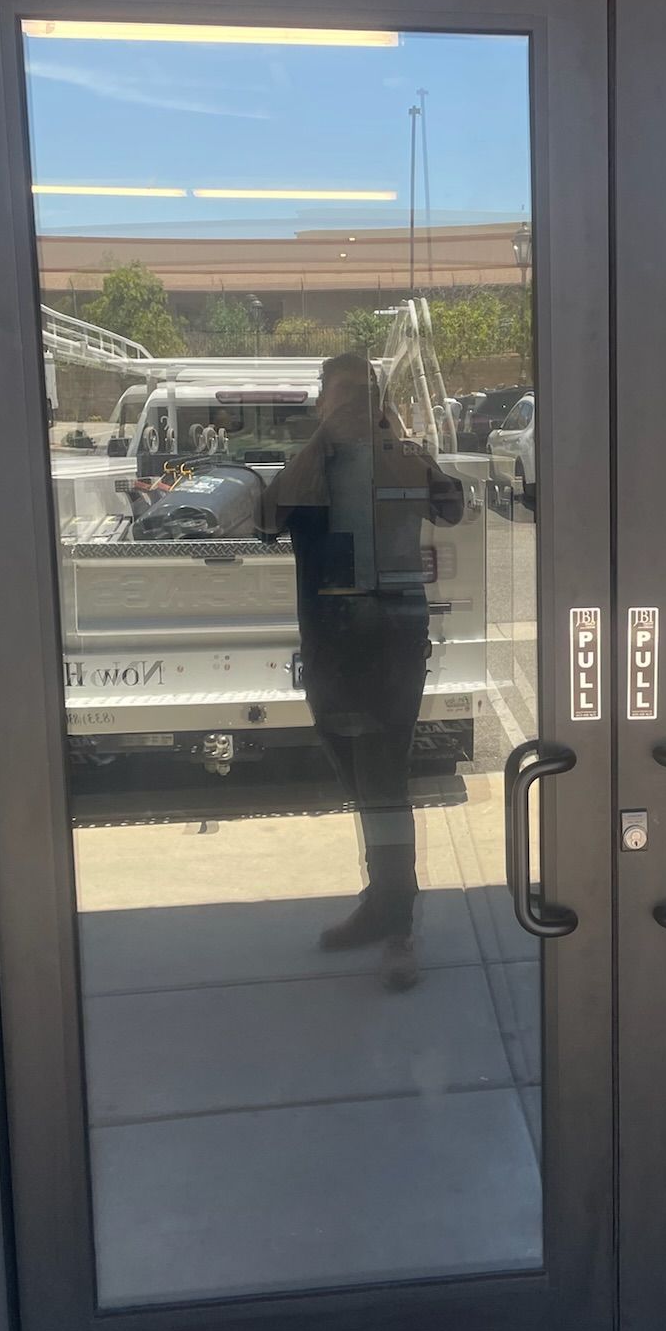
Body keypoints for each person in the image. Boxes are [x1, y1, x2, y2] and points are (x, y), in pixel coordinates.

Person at [261, 352, 463, 988]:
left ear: (372, 402)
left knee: (382, 782)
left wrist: (400, 444)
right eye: (332, 399)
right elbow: (267, 520)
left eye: (351, 398)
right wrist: (326, 438)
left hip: (391, 642)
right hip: (331, 646)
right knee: (359, 780)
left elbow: (451, 506)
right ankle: (383, 903)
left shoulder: (400, 456)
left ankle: (396, 925)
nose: (338, 408)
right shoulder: (314, 465)